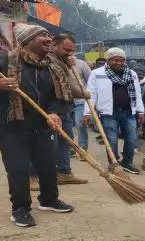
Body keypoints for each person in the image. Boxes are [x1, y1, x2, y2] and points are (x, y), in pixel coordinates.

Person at [0, 24, 74, 227]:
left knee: (47, 164)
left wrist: (54, 113)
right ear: (27, 40)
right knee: (18, 168)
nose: (49, 39)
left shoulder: (52, 65)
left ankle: (48, 200)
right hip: (11, 126)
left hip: (42, 125)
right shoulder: (3, 60)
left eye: (49, 35)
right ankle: (20, 209)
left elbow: (59, 96)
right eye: (43, 35)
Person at [83, 47, 145, 174]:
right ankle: (114, 163)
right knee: (111, 139)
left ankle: (127, 163)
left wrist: (141, 111)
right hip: (108, 113)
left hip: (129, 112)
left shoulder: (131, 73)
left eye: (122, 60)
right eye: (115, 60)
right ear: (108, 60)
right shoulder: (97, 73)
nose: (119, 63)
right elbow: (91, 94)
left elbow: (137, 94)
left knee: (132, 138)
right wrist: (88, 112)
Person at [51, 33, 88, 184]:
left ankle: (65, 172)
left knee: (67, 140)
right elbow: (54, 86)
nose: (70, 54)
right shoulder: (48, 61)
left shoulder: (64, 62)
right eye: (66, 50)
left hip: (66, 107)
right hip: (51, 109)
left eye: (72, 50)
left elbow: (69, 84)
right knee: (49, 143)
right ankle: (41, 175)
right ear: (54, 45)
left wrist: (83, 93)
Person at [72, 57, 92, 157]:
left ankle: (83, 150)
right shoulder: (55, 63)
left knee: (80, 124)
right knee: (67, 127)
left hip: (80, 101)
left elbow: (91, 81)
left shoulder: (81, 64)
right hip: (64, 101)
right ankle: (70, 148)